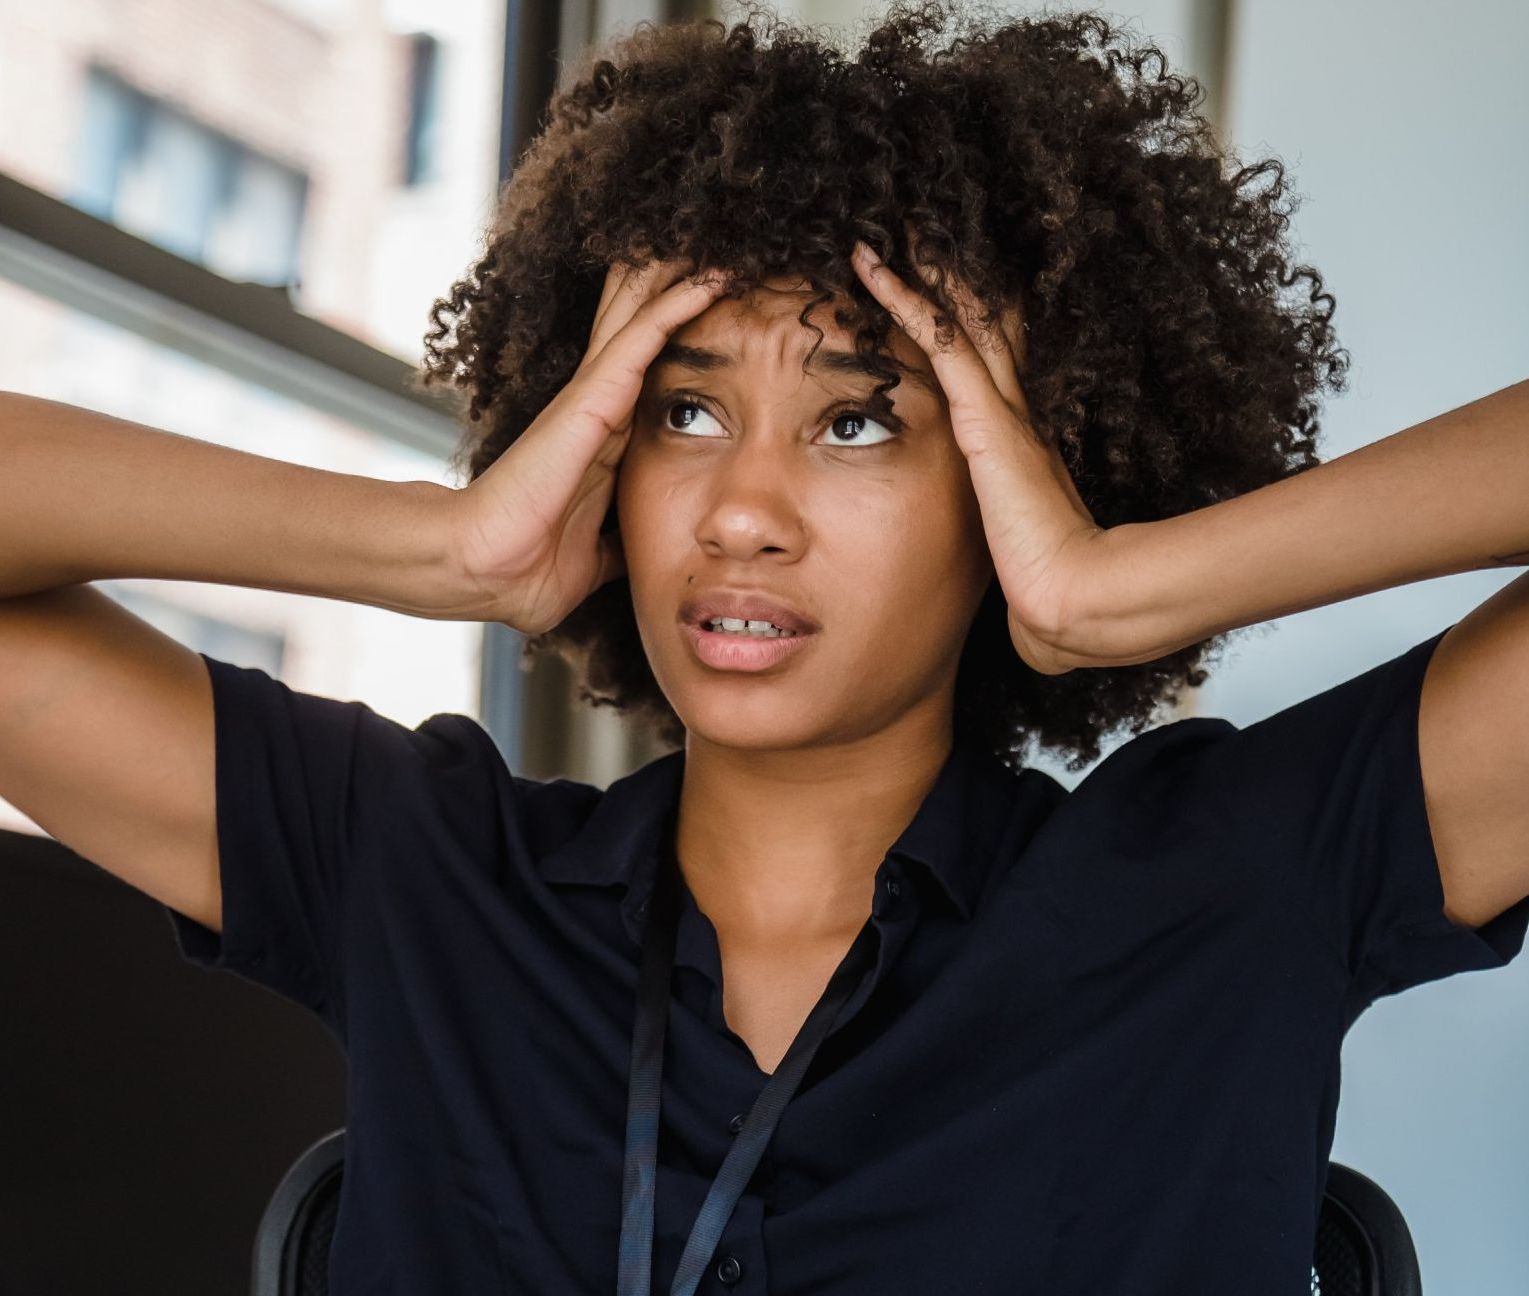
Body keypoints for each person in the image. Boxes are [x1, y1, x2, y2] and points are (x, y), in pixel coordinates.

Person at [1, 2, 1526, 1291]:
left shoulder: (1230, 881)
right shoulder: (416, 865)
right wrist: (443, 545)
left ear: (1025, 471)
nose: (741, 511)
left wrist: (1122, 586)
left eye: (856, 421)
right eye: (683, 409)